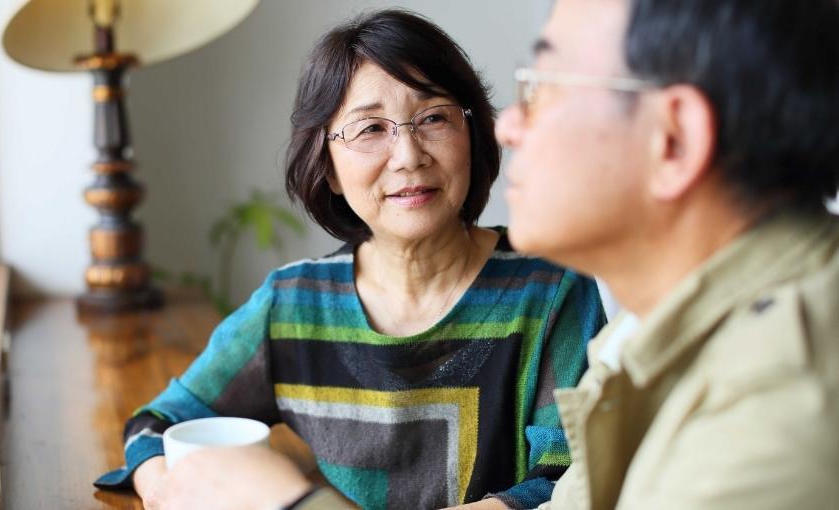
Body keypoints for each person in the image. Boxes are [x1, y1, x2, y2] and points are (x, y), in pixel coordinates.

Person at [151, 0, 839, 508]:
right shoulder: (647, 341)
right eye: (370, 129)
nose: (507, 126)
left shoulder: (780, 409)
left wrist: (291, 504)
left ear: (674, 139)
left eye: (546, 85)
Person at [94, 9, 606, 510]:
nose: (408, 155)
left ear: (471, 135)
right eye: (370, 129)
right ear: (329, 168)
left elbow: (569, 483)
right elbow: (158, 423)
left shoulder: (554, 289)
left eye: (432, 118)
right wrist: (160, 487)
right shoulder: (294, 306)